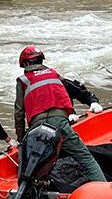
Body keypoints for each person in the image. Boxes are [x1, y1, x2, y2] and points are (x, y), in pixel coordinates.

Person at [14, 46, 106, 182]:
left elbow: (19, 113)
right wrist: (92, 100)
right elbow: (73, 89)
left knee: (30, 167)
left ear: (26, 64)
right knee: (86, 159)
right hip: (60, 123)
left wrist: (22, 139)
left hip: (37, 128)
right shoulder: (54, 75)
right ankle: (103, 187)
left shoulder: (23, 81)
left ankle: (25, 196)